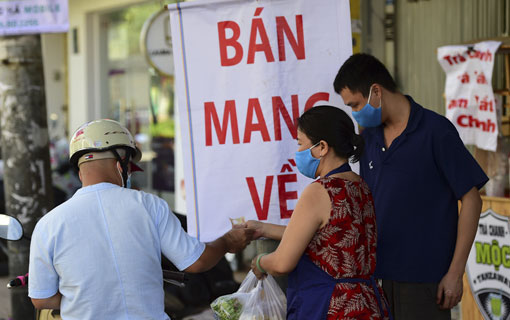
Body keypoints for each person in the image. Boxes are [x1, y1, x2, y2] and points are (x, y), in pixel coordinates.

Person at [28, 119, 255, 320]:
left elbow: (41, 300)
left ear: (80, 171)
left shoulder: (48, 225)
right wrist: (227, 241)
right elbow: (196, 262)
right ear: (121, 164)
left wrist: (85, 299)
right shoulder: (148, 205)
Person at [333, 53, 488, 320]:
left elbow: (472, 200)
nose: (355, 113)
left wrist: (455, 272)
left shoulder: (436, 131)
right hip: (376, 279)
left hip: (425, 282)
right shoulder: (368, 137)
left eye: (356, 104)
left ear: (376, 91)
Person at [247, 106, 391, 320]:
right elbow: (329, 237)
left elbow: (282, 262)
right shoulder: (360, 186)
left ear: (322, 147)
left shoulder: (319, 191)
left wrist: (259, 261)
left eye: (300, 143)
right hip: (367, 304)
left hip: (331, 307)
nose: (297, 152)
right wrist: (263, 229)